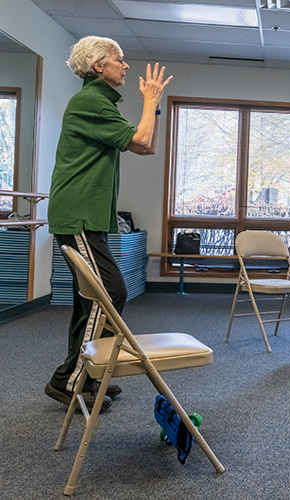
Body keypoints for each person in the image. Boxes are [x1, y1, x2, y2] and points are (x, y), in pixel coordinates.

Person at [44, 36, 172, 410]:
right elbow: (142, 138)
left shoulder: (99, 103)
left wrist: (155, 106)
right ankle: (69, 379)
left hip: (84, 216)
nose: (126, 66)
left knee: (89, 301)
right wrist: (149, 101)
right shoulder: (90, 103)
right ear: (99, 66)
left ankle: (87, 375)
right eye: (119, 60)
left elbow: (146, 146)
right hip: (78, 214)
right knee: (110, 293)